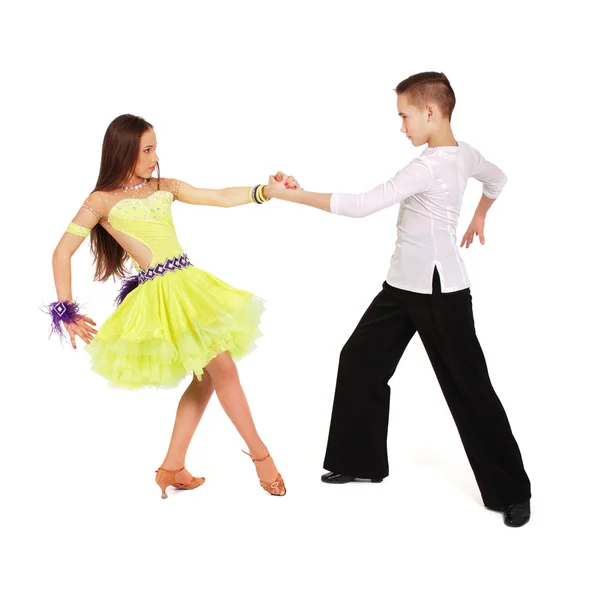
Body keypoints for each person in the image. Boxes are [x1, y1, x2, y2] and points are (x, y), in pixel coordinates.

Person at [268, 72, 531, 527]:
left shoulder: (430, 166)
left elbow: (362, 205)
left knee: (469, 388)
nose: (402, 126)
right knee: (359, 361)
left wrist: (288, 195)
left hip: (439, 292)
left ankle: (512, 492)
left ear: (431, 111)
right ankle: (358, 461)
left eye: (404, 116)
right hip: (400, 287)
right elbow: (498, 179)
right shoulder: (463, 154)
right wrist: (479, 216)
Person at [47, 114, 296, 498]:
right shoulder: (100, 202)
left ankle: (172, 467)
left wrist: (265, 190)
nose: (154, 156)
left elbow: (216, 196)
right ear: (123, 150)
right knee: (223, 371)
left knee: (208, 376)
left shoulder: (164, 186)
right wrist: (66, 310)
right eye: (146, 149)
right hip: (161, 295)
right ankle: (262, 458)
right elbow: (62, 252)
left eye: (155, 148)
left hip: (189, 284)